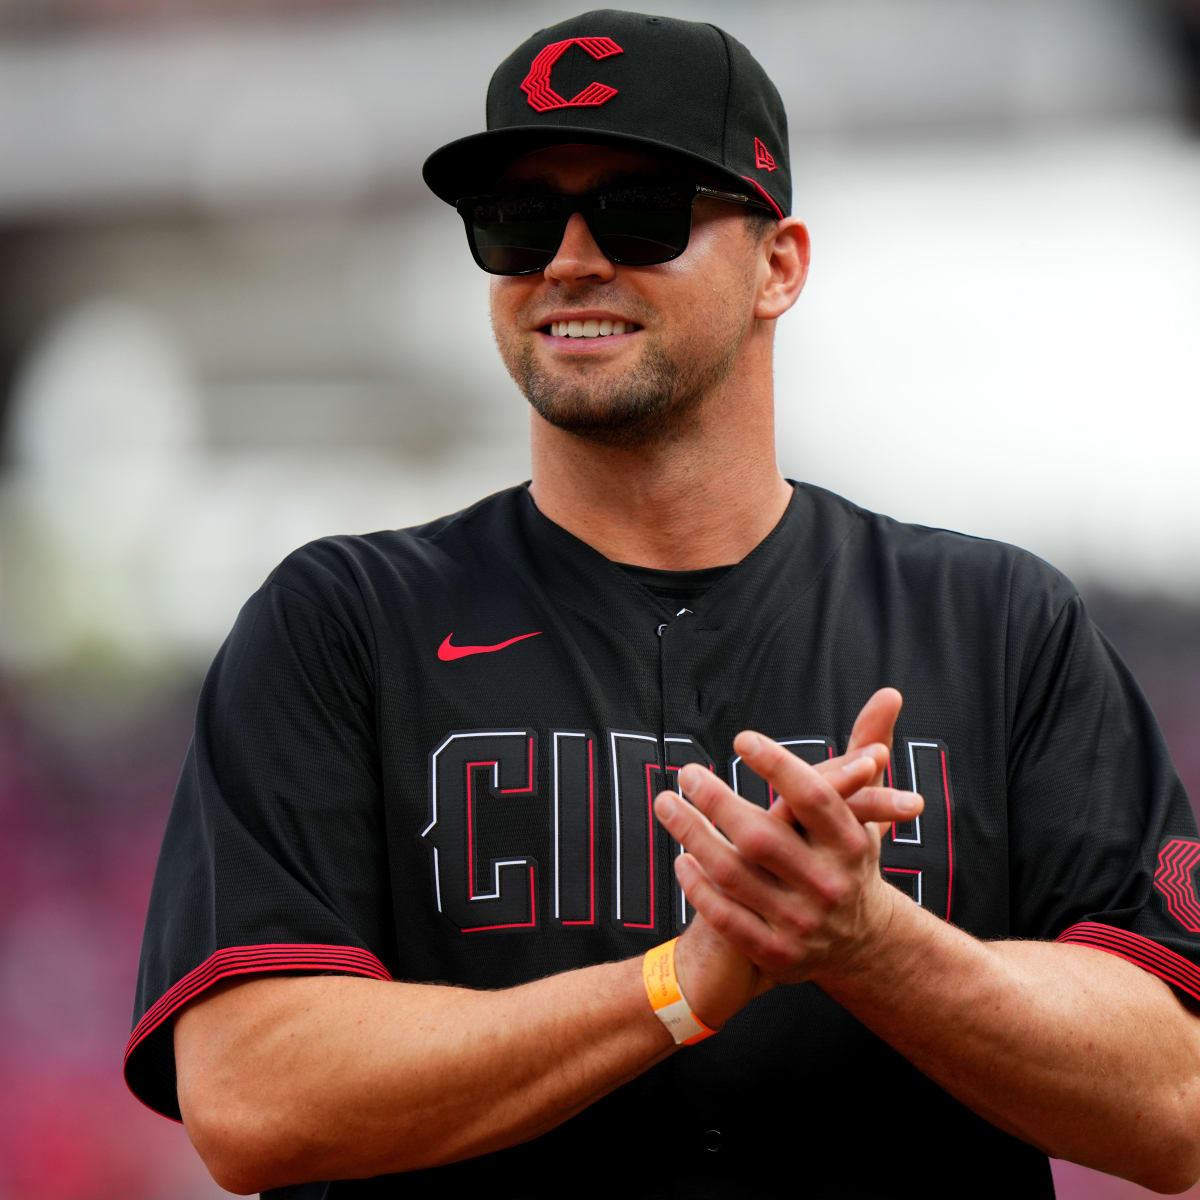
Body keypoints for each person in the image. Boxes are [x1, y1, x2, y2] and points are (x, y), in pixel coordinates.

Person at [125, 10, 1200, 1198]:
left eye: (641, 211)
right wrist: (677, 984)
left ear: (778, 265)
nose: (570, 261)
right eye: (520, 222)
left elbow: (1179, 1102)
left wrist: (872, 944)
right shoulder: (341, 622)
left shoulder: (996, 623)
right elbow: (249, 1096)